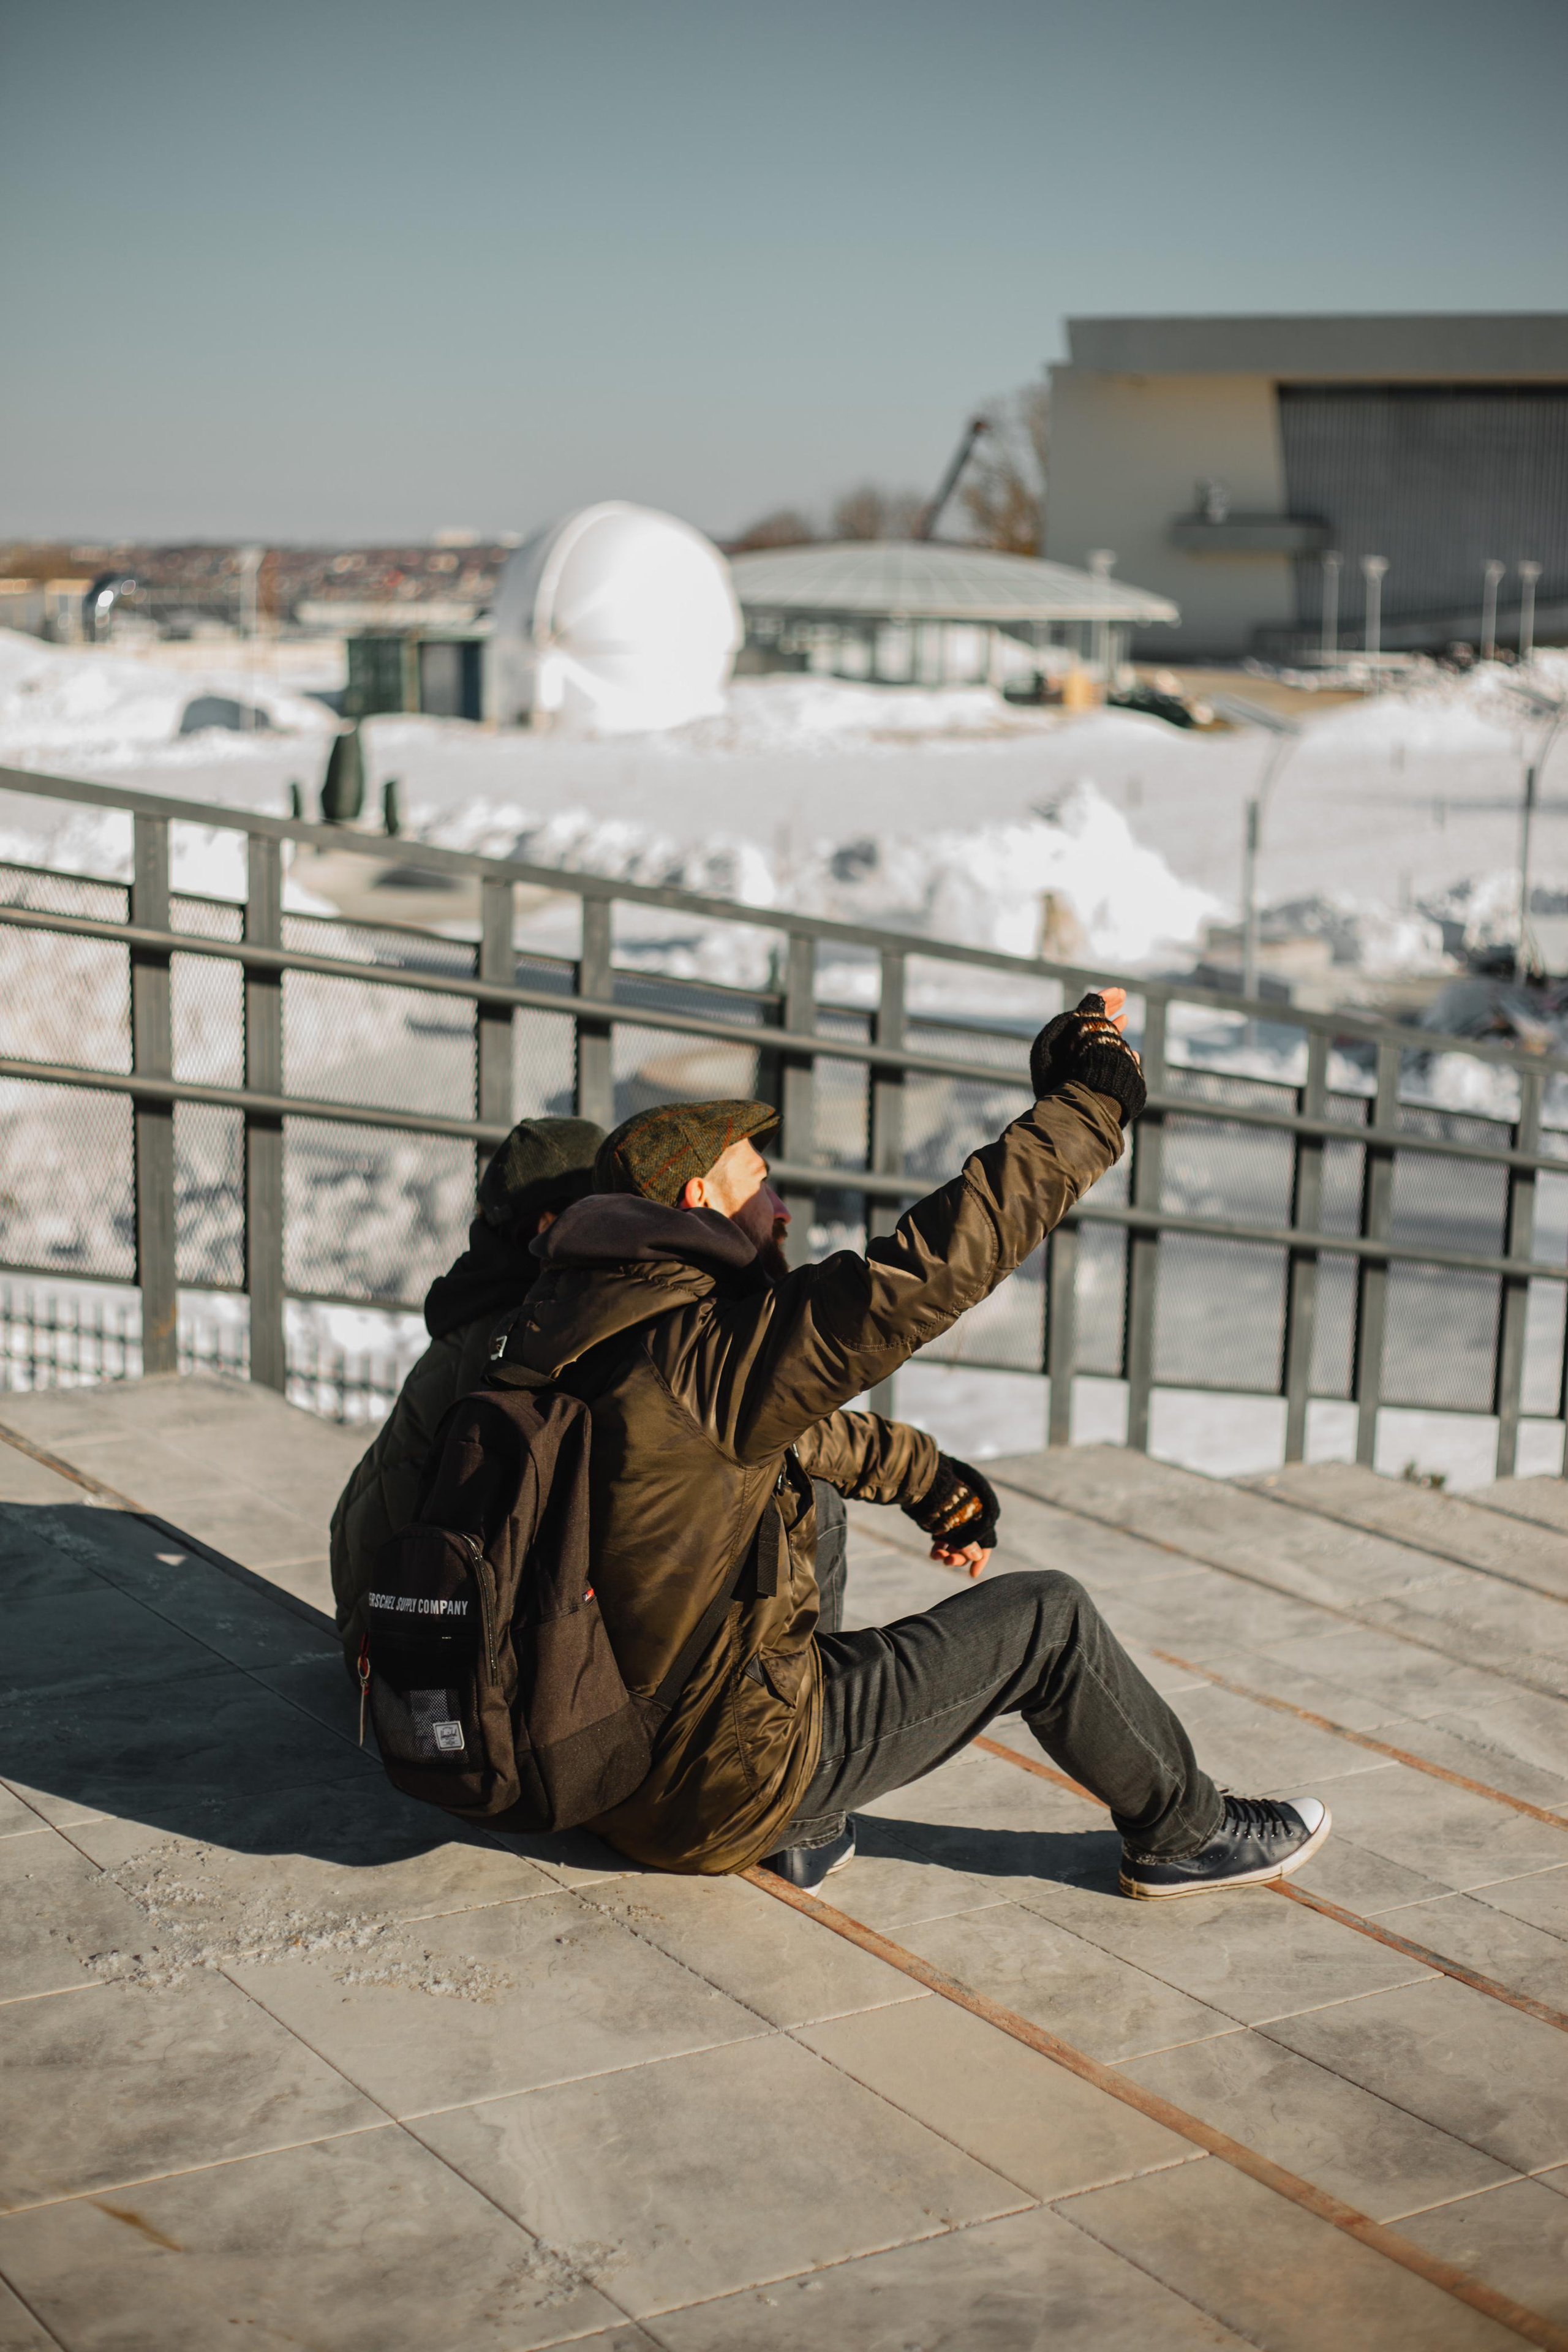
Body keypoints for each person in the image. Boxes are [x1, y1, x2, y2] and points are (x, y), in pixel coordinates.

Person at [495, 991, 1330, 1899]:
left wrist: (930, 1478)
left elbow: (791, 1435)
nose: (777, 1210)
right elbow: (920, 1276)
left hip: (602, 1766)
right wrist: (1087, 1109)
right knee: (1048, 1620)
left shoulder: (584, 1327)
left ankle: (804, 1828)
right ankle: (1185, 1834)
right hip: (708, 1787)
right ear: (699, 1199)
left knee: (805, 1492)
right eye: (758, 1180)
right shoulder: (710, 1354)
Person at [328, 1114, 603, 1667]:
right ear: (550, 1223)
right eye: (605, 1211)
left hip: (382, 1600)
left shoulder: (483, 1302)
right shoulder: (515, 1338)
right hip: (408, 1642)